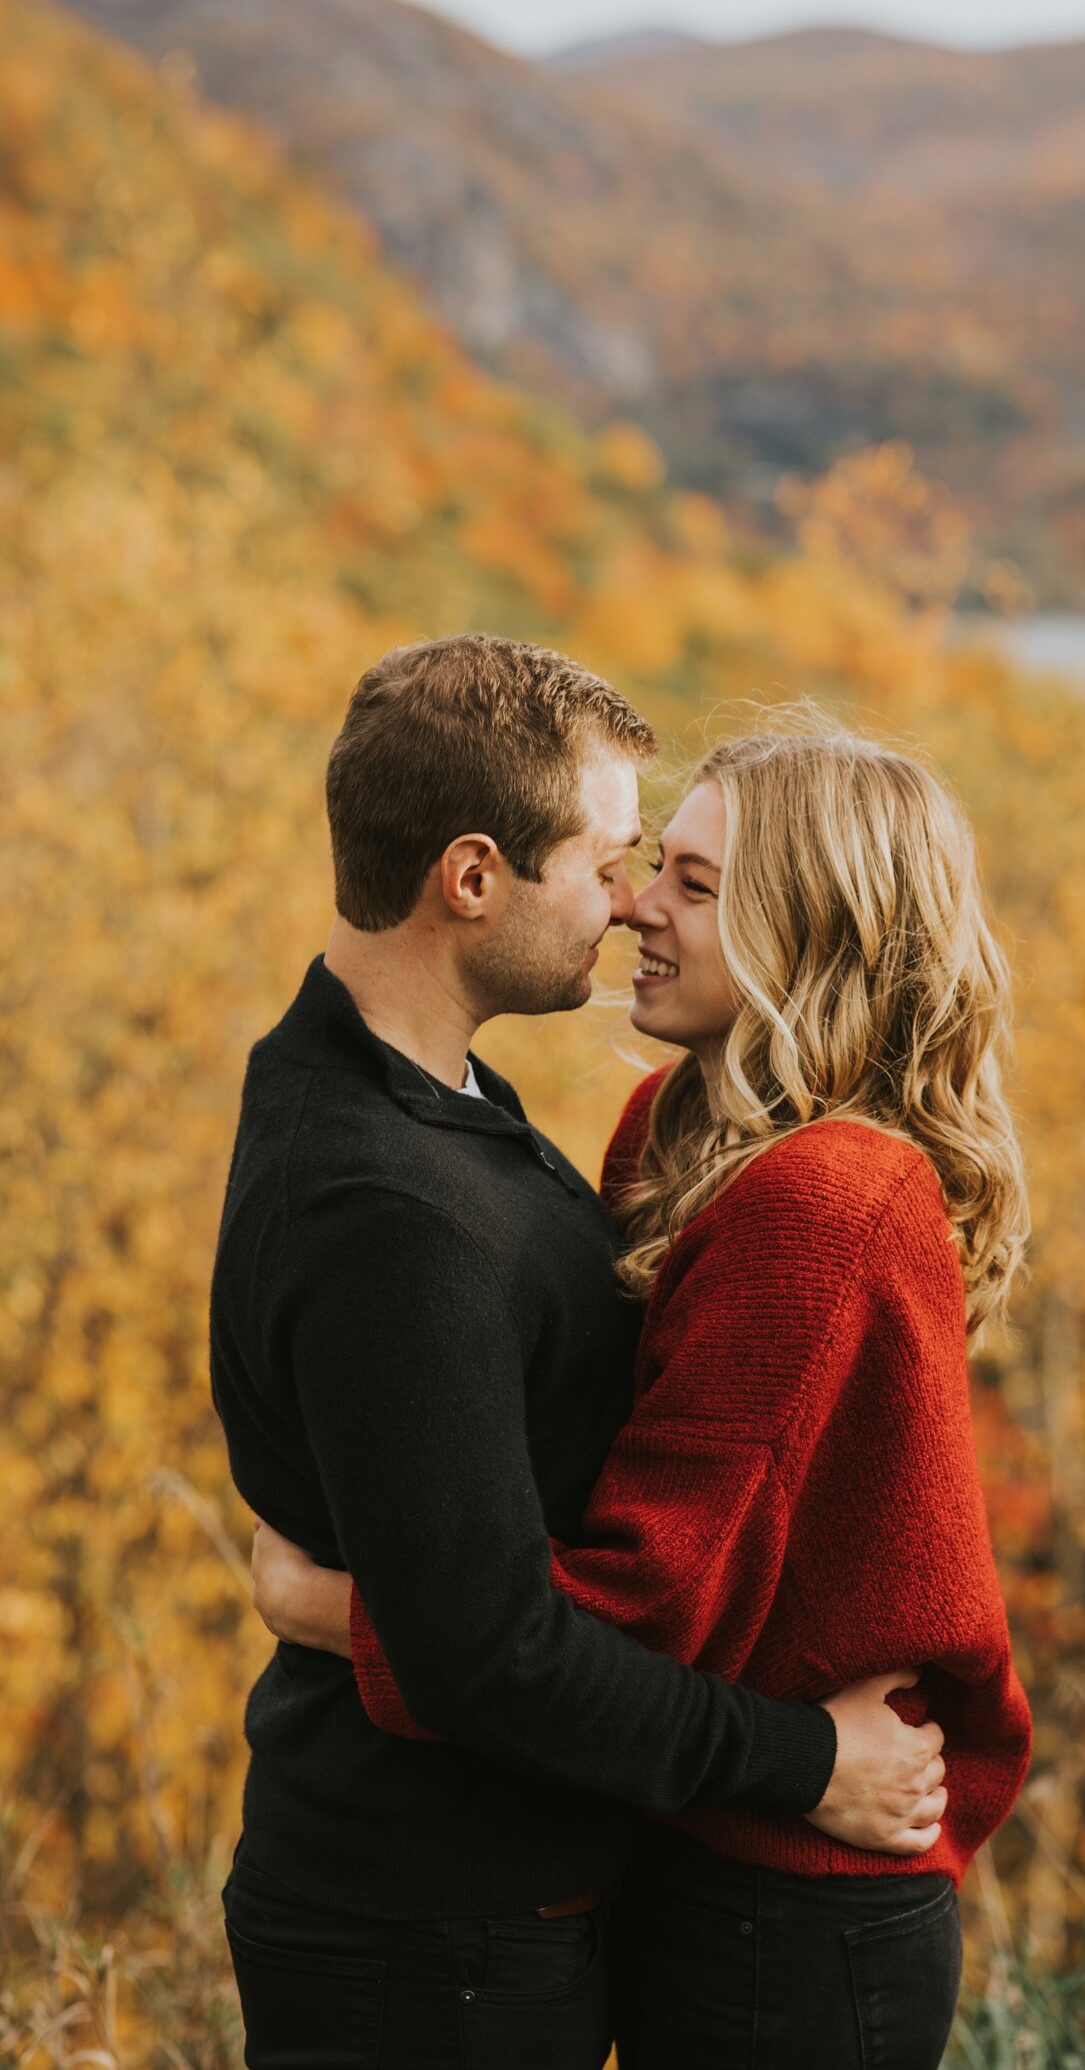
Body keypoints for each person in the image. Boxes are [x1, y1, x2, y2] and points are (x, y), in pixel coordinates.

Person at [209, 640, 949, 2070]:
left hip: (497, 1904)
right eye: (617, 859)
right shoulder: (393, 1204)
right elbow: (495, 1651)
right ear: (472, 878)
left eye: (675, 873)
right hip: (425, 1926)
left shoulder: (426, 1097)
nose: (628, 904)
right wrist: (812, 1764)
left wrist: (333, 1602)